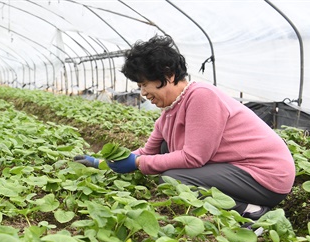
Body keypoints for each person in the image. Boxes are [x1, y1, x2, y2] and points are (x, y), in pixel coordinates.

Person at [74, 35, 295, 223]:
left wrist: (139, 164)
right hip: (235, 169)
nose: (142, 92)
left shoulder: (201, 97)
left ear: (168, 75)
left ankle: (250, 210)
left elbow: (193, 158)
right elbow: (147, 151)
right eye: (139, 86)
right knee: (163, 147)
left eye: (144, 84)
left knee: (174, 178)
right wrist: (101, 163)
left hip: (265, 177)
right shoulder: (170, 110)